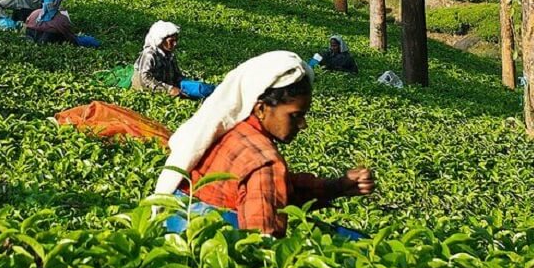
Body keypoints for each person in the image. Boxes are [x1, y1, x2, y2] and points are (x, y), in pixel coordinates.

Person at [153, 51, 375, 238]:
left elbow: (279, 190)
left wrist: (336, 186)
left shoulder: (232, 131)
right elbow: (262, 243)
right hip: (215, 245)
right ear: (260, 108)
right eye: (295, 115)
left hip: (178, 230)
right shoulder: (264, 161)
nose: (303, 125)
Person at [132, 21, 186, 96]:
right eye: (171, 41)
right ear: (160, 40)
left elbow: (177, 75)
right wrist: (169, 89)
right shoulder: (149, 54)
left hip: (164, 89)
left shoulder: (170, 55)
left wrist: (188, 84)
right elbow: (145, 79)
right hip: (145, 91)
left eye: (176, 40)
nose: (175, 44)